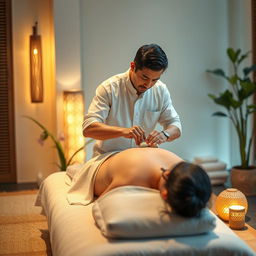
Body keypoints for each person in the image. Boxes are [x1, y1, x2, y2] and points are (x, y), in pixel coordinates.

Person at [83, 44, 182, 157]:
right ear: (132, 66)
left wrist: (165, 134)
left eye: (154, 80)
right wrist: (124, 131)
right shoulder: (109, 88)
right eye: (144, 77)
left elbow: (176, 126)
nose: (148, 84)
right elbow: (88, 129)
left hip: (143, 158)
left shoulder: (161, 90)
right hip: (108, 157)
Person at [94, 147, 212, 218]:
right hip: (97, 165)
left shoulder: (183, 168)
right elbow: (99, 206)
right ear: (165, 194)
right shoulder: (133, 178)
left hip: (127, 154)